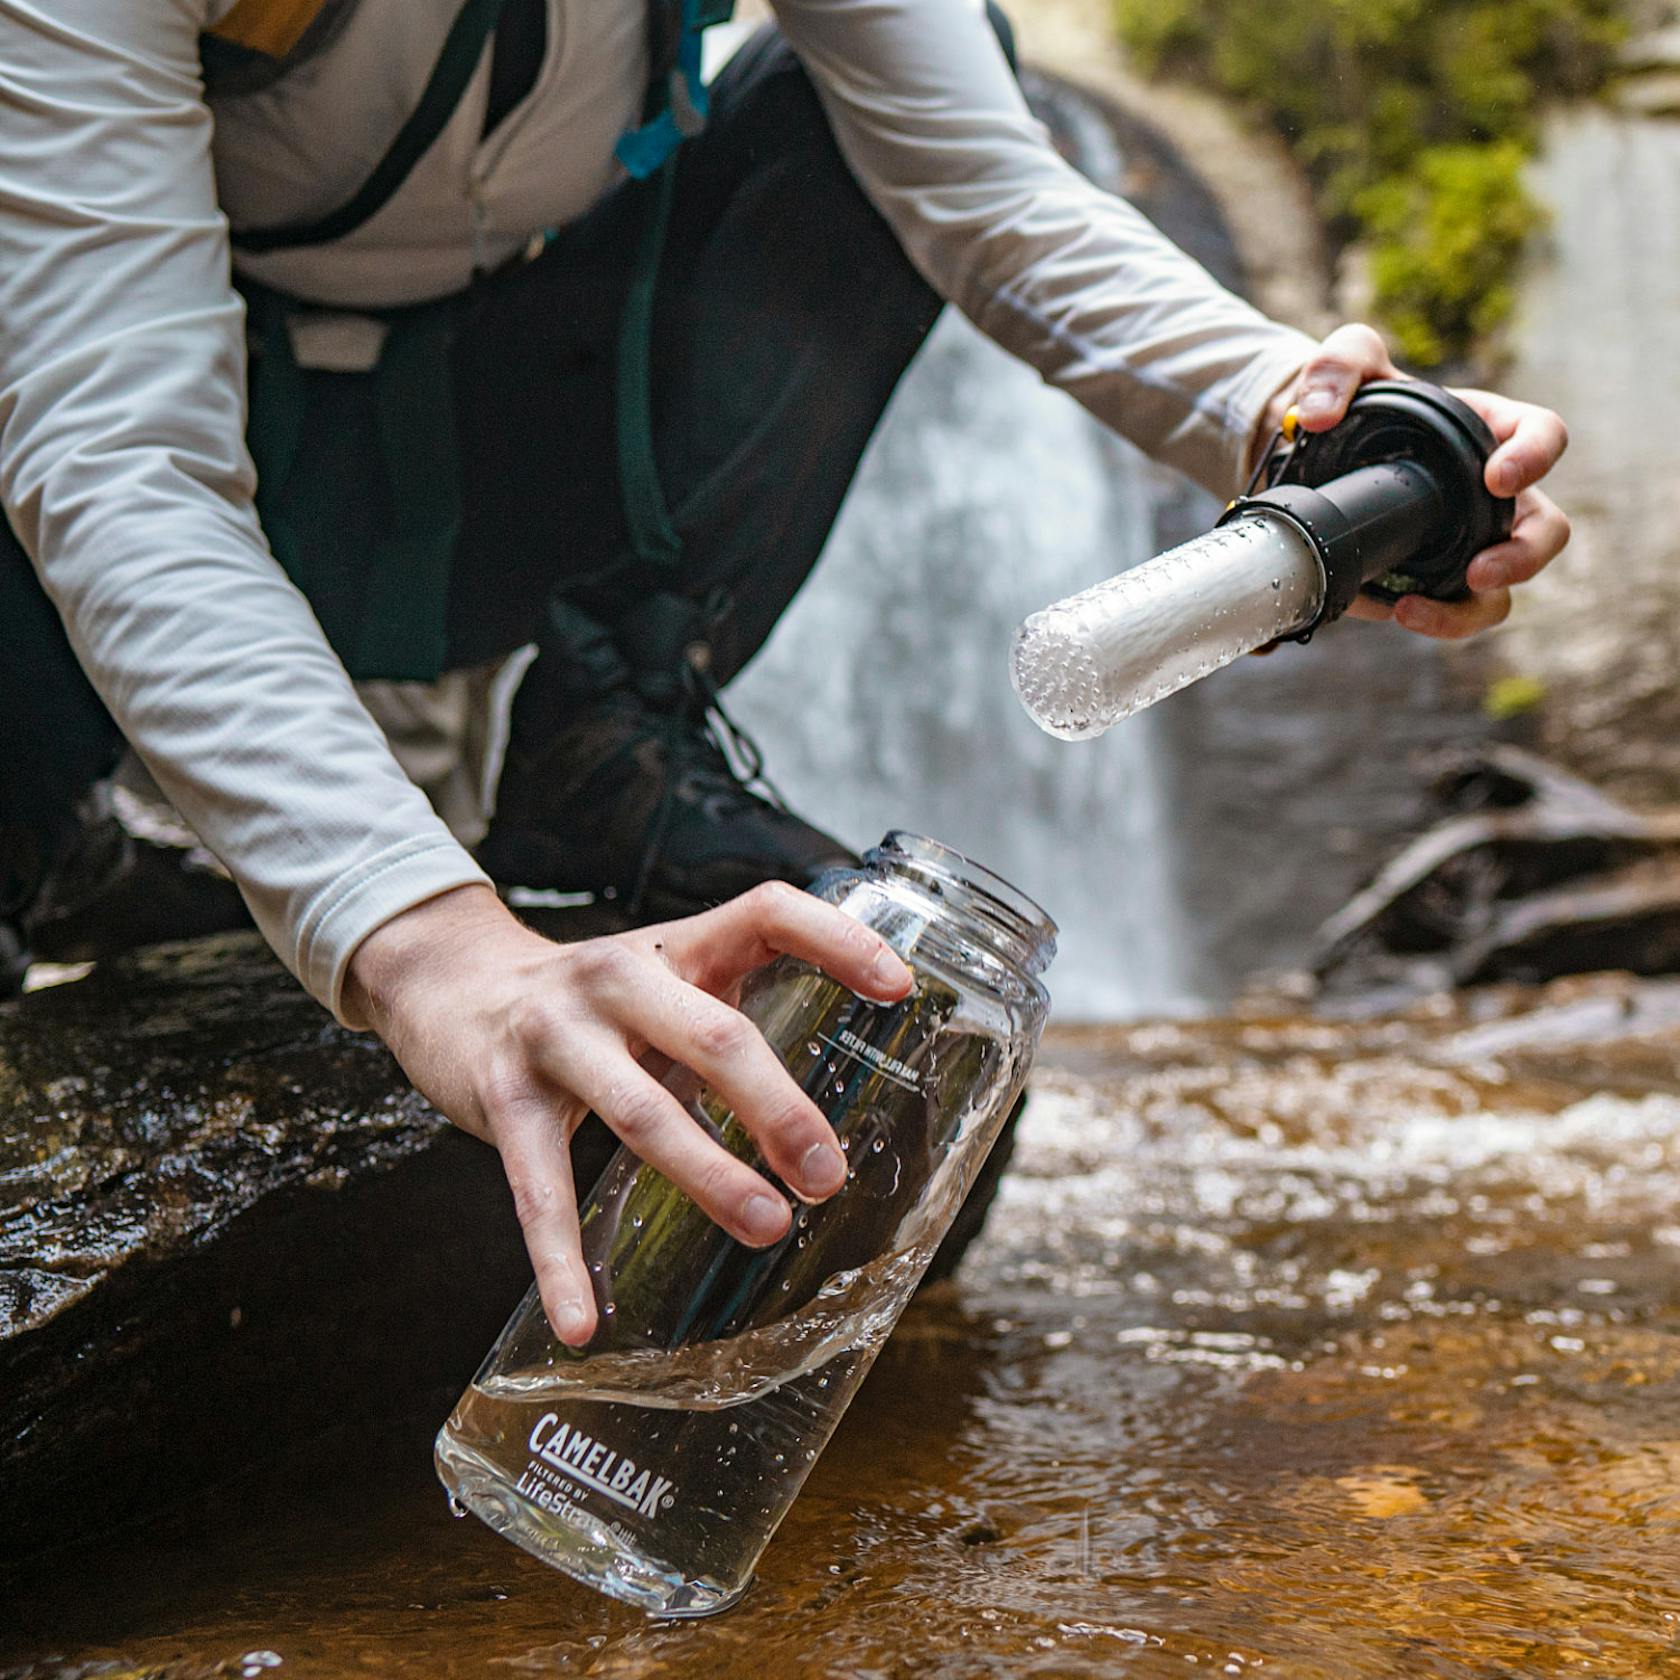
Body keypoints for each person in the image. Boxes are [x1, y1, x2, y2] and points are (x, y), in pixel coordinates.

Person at [0, 0, 1570, 1347]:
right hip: (117, 455)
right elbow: (114, 454)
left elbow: (985, 195)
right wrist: (435, 955)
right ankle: (32, 832)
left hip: (511, 431)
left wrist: (1298, 440)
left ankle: (603, 732)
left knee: (839, 119)